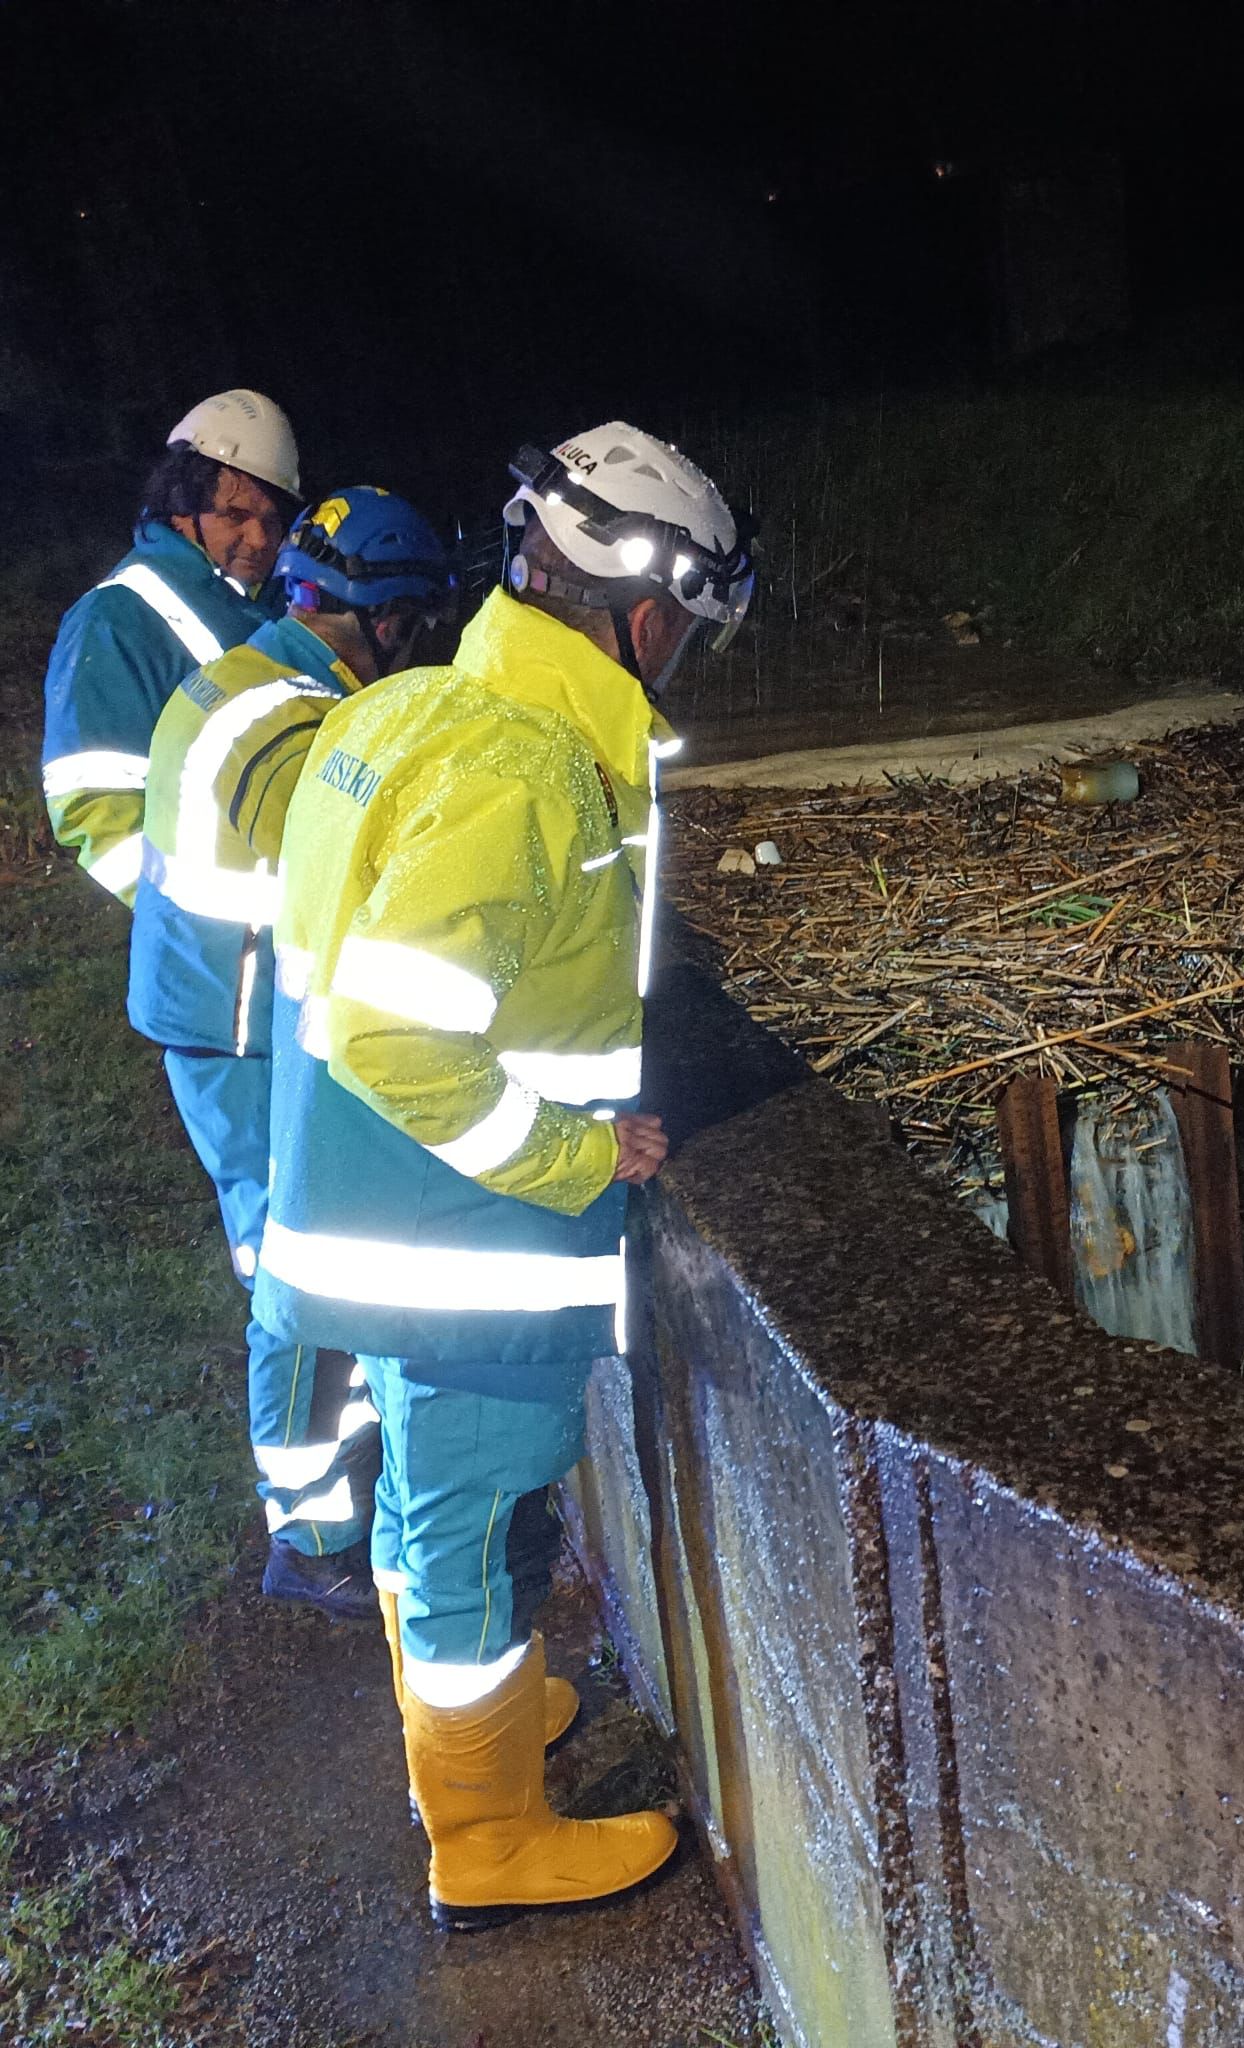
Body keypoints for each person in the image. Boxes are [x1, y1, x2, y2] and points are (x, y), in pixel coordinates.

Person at [254, 423, 753, 1926]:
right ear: (646, 613)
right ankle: (483, 1834)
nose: (684, 660)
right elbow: (400, 1035)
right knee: (471, 1523)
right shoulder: (529, 765)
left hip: (370, 1210)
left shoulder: (421, 704)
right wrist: (575, 1154)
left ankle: (467, 1720)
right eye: (692, 634)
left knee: (427, 1502)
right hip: (459, 1232)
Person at [129, 488, 458, 1620]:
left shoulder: (252, 673)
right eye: (418, 625)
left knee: (303, 1270)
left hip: (216, 1010)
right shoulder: (294, 720)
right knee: (286, 1274)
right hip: (239, 1028)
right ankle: (309, 1533)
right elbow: (345, 878)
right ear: (388, 617)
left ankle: (338, 1486)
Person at [42, 390, 300, 903]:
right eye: (236, 515)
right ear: (181, 506)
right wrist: (187, 921)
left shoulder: (271, 599)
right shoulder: (113, 620)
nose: (259, 538)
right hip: (216, 942)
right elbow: (96, 811)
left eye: (273, 520)